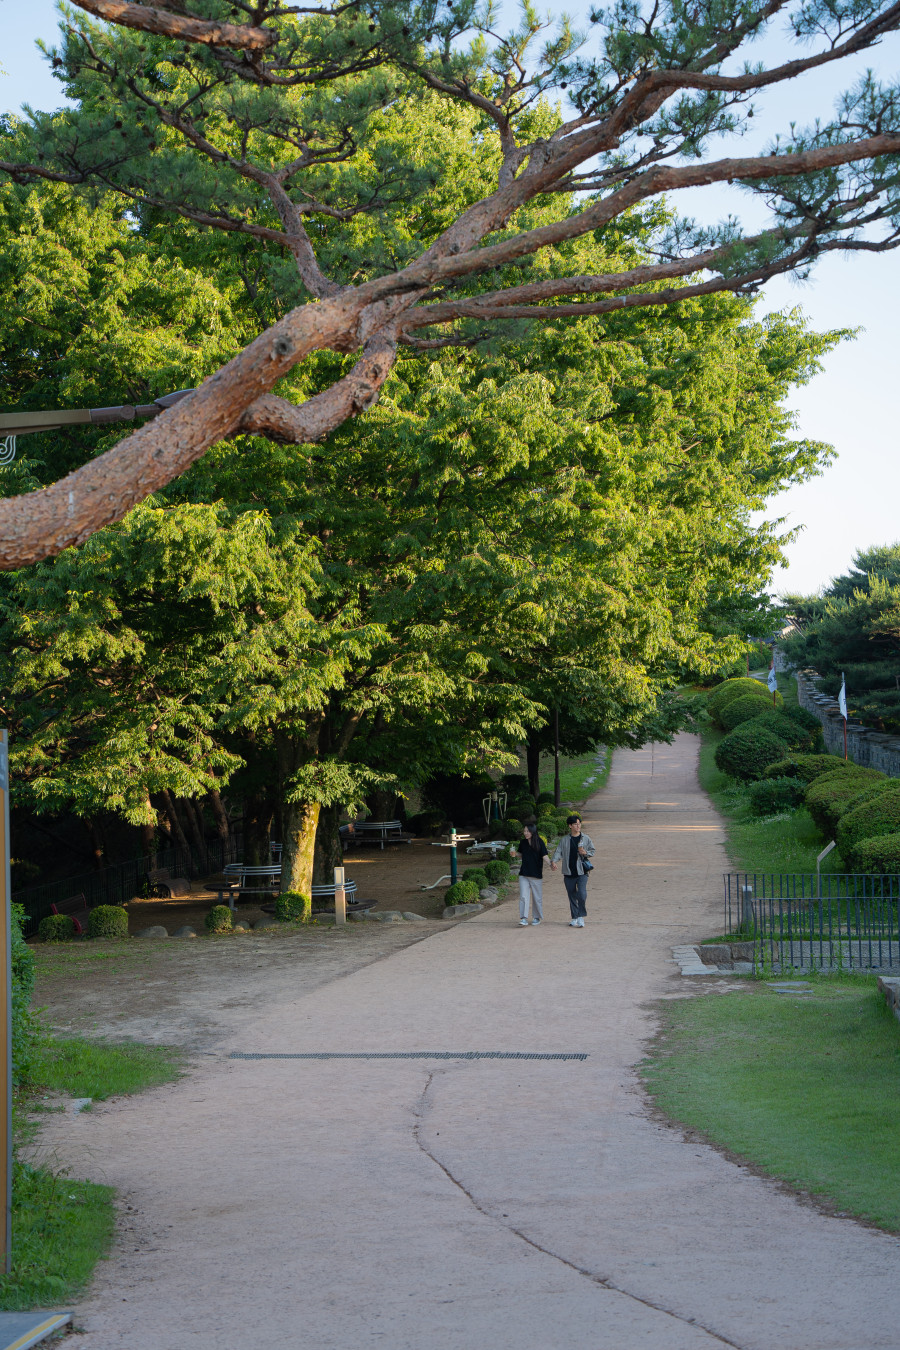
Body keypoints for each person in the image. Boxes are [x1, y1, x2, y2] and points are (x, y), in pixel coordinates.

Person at [552, 813, 595, 927]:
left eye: (579, 824)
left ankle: (580, 916)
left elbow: (592, 850)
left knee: (581, 894)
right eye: (575, 824)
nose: (578, 826)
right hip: (568, 871)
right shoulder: (565, 840)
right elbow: (558, 852)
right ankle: (574, 917)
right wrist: (553, 861)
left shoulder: (585, 838)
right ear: (570, 826)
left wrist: (586, 853)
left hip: (582, 872)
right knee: (571, 895)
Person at [509, 821, 555, 926]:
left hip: (536, 874)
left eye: (527, 831)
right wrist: (515, 854)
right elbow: (521, 854)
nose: (525, 833)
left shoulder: (539, 842)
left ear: (533, 832)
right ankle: (523, 918)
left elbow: (544, 855)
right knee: (523, 896)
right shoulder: (523, 842)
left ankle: (536, 917)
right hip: (524, 873)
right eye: (524, 831)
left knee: (536, 897)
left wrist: (550, 864)